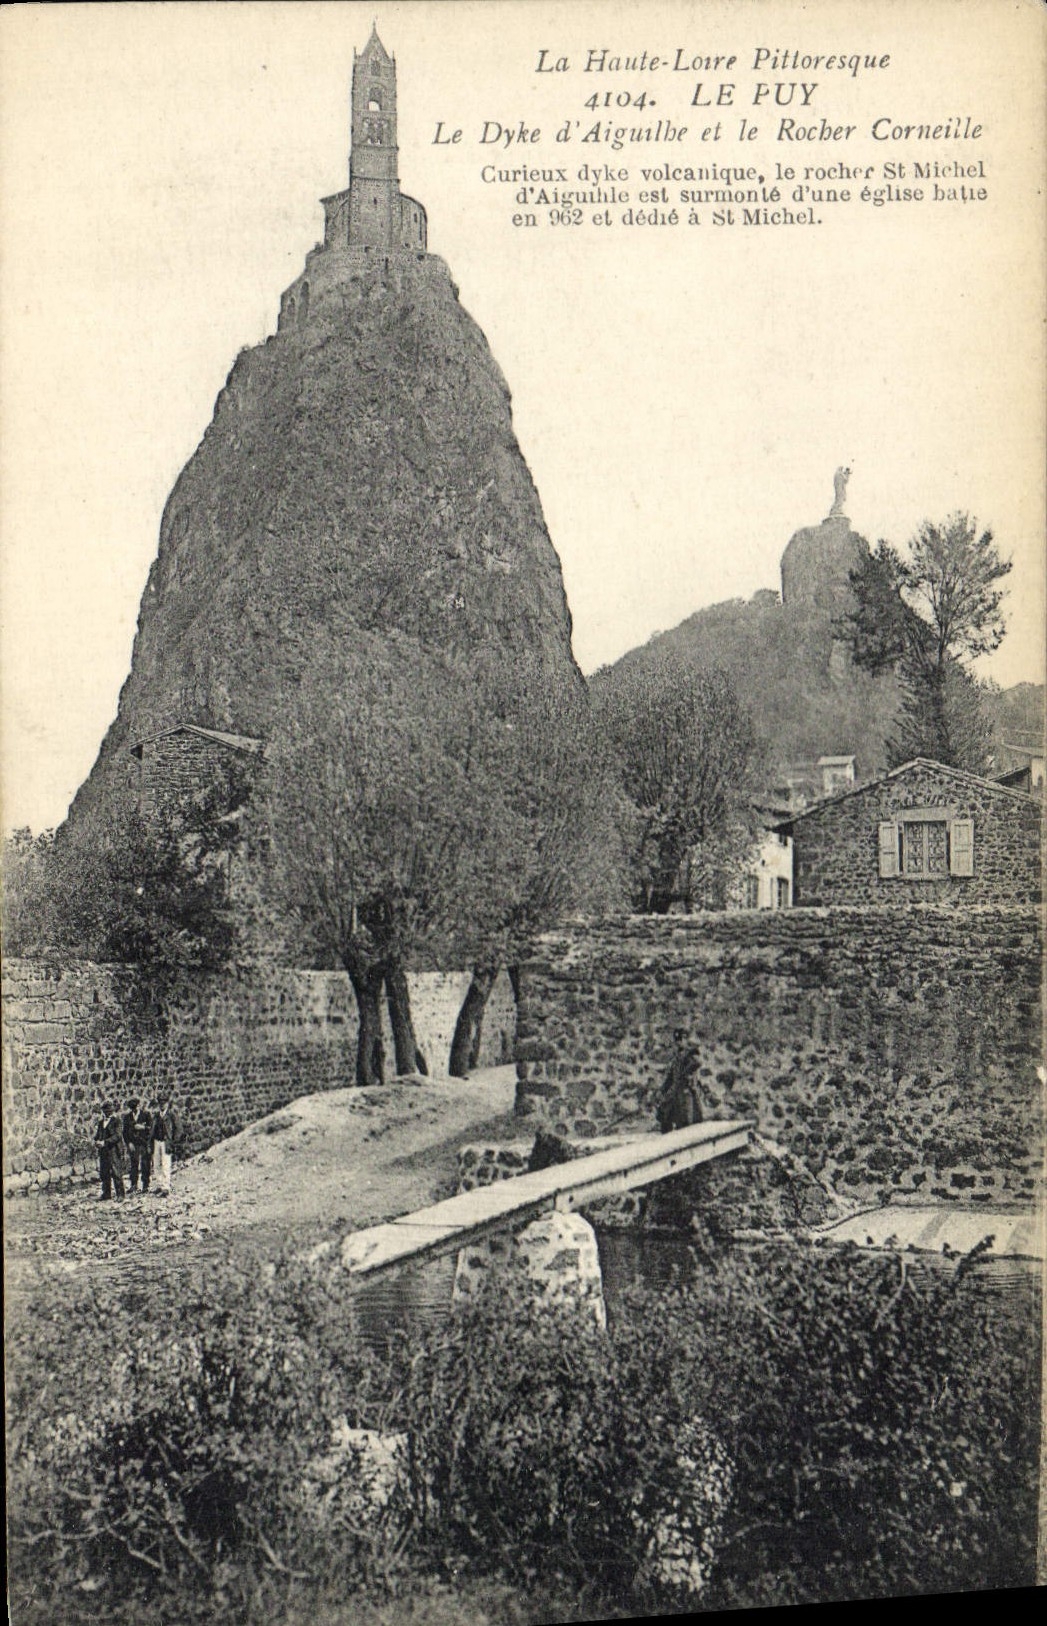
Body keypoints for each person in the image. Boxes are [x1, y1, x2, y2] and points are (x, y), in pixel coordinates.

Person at [655, 1028, 704, 1133]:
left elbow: (697, 1062)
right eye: (677, 1041)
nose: (679, 1043)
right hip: (676, 1093)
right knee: (665, 1115)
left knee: (687, 1121)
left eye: (681, 1040)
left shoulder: (690, 1053)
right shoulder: (676, 1058)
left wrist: (685, 1074)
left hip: (687, 1093)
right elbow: (670, 1077)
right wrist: (662, 1090)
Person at [94, 1100, 127, 1200]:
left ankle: (120, 1194)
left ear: (112, 1111)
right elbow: (98, 1135)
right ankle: (106, 1193)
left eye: (109, 1111)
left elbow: (117, 1136)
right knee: (104, 1172)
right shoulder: (101, 1123)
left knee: (116, 1172)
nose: (107, 1113)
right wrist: (96, 1141)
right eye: (105, 1111)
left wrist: (104, 1142)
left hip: (114, 1150)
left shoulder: (117, 1121)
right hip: (103, 1151)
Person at [124, 1097, 155, 1193]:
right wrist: (129, 1143)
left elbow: (151, 1128)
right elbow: (125, 1132)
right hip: (134, 1144)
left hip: (144, 1143)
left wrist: (143, 1127)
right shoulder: (127, 1117)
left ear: (139, 1105)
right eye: (132, 1108)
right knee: (134, 1163)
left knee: (145, 1163)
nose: (135, 1110)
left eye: (136, 1107)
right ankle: (134, 1184)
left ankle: (146, 1185)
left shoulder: (146, 1115)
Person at [152, 1094, 179, 1195]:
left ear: (167, 1103)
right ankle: (159, 1185)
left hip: (166, 1142)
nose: (162, 1105)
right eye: (160, 1103)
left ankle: (166, 1187)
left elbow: (178, 1129)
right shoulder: (156, 1115)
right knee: (156, 1164)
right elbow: (152, 1129)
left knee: (166, 1164)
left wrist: (173, 1141)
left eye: (164, 1103)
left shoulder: (171, 1115)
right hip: (157, 1141)